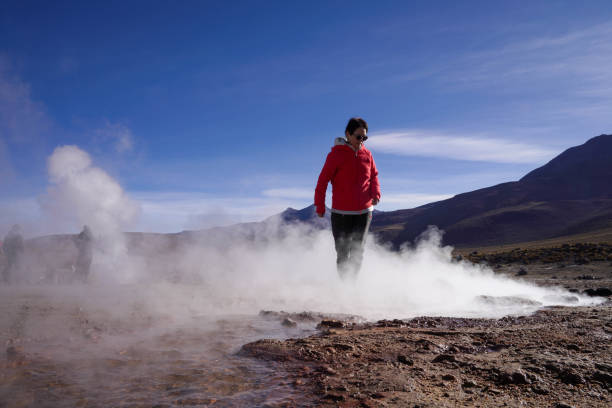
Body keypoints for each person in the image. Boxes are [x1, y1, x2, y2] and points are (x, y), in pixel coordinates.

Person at [314, 117, 381, 279]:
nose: (361, 141)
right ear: (348, 134)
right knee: (343, 253)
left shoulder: (367, 155)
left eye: (364, 137)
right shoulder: (335, 155)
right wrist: (320, 206)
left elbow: (374, 176)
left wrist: (375, 193)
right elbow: (322, 181)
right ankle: (344, 288)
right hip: (341, 213)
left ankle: (351, 288)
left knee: (358, 251)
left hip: (364, 212)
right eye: (358, 137)